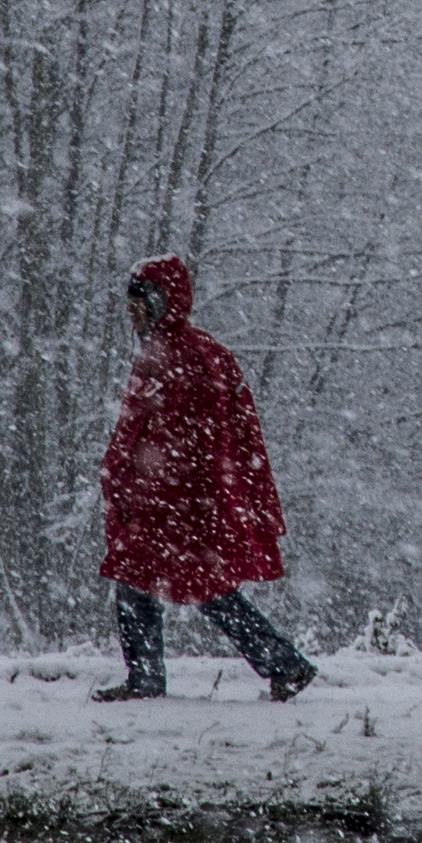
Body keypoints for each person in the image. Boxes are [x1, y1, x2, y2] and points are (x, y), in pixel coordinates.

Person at [94, 254, 317, 703]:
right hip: (168, 501)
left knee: (189, 586)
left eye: (140, 301)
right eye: (130, 302)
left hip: (177, 504)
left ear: (162, 302)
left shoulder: (187, 357)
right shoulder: (170, 352)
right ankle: (278, 664)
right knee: (169, 584)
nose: (131, 311)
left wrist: (152, 489)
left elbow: (189, 440)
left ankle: (279, 664)